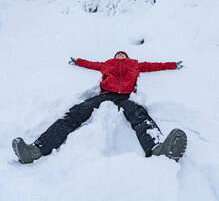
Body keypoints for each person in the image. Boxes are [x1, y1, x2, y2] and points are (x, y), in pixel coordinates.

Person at [12, 51, 187, 164]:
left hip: (124, 98)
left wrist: (173, 65)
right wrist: (77, 61)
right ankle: (35, 150)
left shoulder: (135, 64)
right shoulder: (106, 63)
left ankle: (159, 150)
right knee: (74, 114)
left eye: (122, 55)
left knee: (139, 115)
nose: (120, 56)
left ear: (126, 57)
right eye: (118, 55)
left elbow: (155, 66)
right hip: (103, 96)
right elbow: (90, 64)